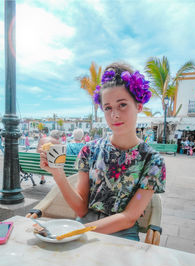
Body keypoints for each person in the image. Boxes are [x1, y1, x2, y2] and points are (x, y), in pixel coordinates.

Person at [29, 62, 166, 241]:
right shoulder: (89, 150)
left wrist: (75, 232)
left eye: (122, 105)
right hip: (82, 226)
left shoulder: (152, 160)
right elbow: (81, 209)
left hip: (122, 235)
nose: (114, 115)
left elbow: (129, 217)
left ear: (139, 106)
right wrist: (57, 173)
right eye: (108, 107)